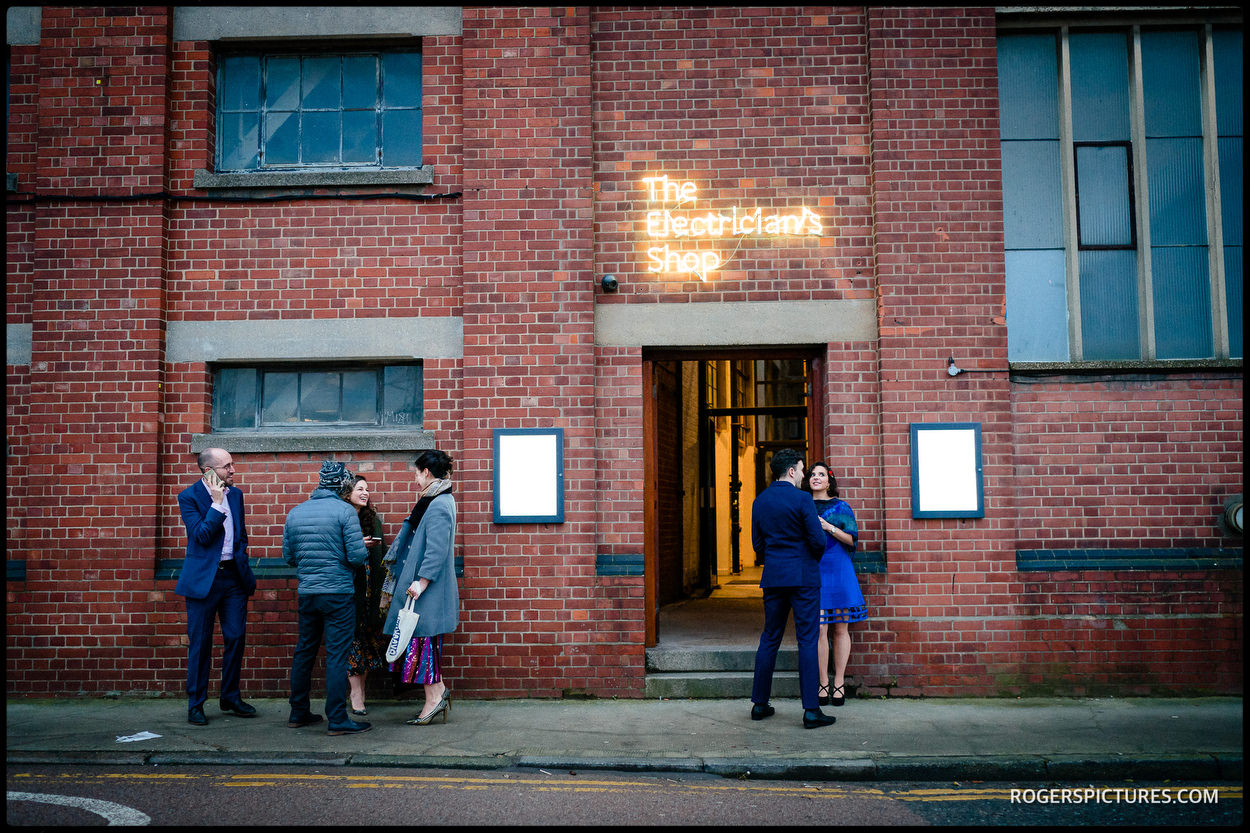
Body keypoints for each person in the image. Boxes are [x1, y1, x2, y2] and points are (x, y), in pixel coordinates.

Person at [748, 448, 836, 729]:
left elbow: (757, 545)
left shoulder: (759, 501)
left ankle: (759, 704)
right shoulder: (802, 499)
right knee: (808, 639)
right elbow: (818, 540)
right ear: (790, 471)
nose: (803, 475)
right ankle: (811, 710)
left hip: (774, 577)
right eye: (801, 470)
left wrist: (774, 560)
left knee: (770, 637)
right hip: (804, 578)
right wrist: (808, 560)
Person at [283, 460, 371, 736]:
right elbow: (357, 556)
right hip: (338, 593)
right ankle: (337, 719)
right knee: (336, 656)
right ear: (342, 485)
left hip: (308, 593)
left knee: (305, 651)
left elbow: (289, 558)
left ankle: (298, 712)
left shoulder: (296, 512)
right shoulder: (345, 512)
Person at [176, 448, 259, 726]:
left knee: (235, 637)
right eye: (226, 467)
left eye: (232, 465)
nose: (233, 470)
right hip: (203, 580)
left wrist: (242, 555)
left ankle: (230, 697)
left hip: (233, 578)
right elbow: (201, 535)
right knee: (200, 643)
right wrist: (216, 503)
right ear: (207, 471)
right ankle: (196, 704)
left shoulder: (237, 495)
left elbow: (241, 535)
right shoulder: (189, 497)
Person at [381, 449, 458, 726]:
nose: (414, 479)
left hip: (426, 591)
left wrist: (421, 581)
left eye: (416, 473)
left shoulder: (438, 504)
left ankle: (433, 700)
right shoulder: (437, 499)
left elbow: (436, 549)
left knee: (422, 644)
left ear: (426, 472)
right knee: (425, 644)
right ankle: (438, 692)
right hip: (426, 590)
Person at [806, 462, 866, 707]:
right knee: (819, 629)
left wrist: (828, 526)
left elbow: (851, 540)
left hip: (838, 570)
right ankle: (822, 682)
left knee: (841, 629)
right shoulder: (803, 505)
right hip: (813, 570)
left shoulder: (841, 507)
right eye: (812, 474)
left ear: (829, 481)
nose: (816, 477)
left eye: (821, 474)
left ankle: (839, 681)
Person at [339, 474, 388, 715]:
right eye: (360, 489)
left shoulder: (372, 520)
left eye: (367, 489)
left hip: (371, 589)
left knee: (369, 640)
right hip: (349, 589)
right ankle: (355, 693)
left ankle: (361, 690)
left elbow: (384, 557)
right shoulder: (340, 519)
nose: (365, 493)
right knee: (352, 639)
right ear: (347, 493)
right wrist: (357, 544)